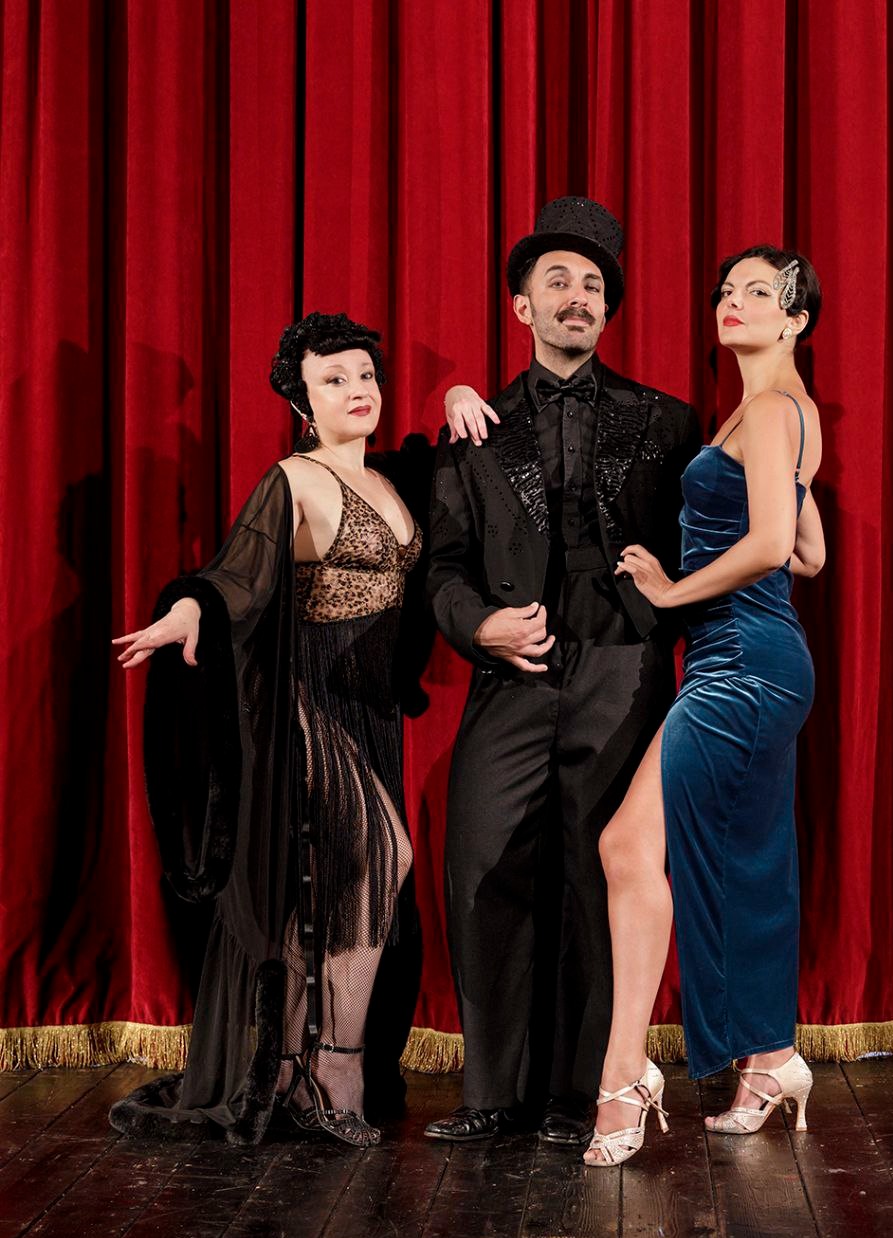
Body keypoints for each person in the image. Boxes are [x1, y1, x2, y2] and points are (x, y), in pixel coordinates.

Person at [109, 312, 466, 1146]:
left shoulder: (391, 480)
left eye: (365, 375)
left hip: (372, 712)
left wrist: (456, 389)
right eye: (334, 380)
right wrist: (190, 608)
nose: (357, 390)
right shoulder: (293, 480)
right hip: (306, 706)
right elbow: (236, 573)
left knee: (338, 891)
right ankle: (336, 1065)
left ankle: (293, 1066)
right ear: (303, 404)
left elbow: (447, 463)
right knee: (385, 858)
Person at [425, 197, 701, 1145]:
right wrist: (481, 626)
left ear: (607, 310)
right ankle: (491, 1093)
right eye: (558, 282)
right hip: (511, 679)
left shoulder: (667, 420)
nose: (577, 297)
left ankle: (585, 1093)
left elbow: (706, 542)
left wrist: (671, 605)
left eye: (593, 285)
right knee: (483, 868)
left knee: (598, 879)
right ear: (523, 306)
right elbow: (442, 568)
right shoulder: (477, 426)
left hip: (622, 675)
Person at [583, 246, 826, 1166]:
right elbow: (811, 553)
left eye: (759, 293)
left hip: (742, 666)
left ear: (795, 319)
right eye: (727, 290)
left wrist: (671, 590)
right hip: (750, 659)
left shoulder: (769, 410)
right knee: (729, 857)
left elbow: (772, 544)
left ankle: (623, 1078)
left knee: (631, 846)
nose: (733, 302)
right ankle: (768, 1060)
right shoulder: (781, 411)